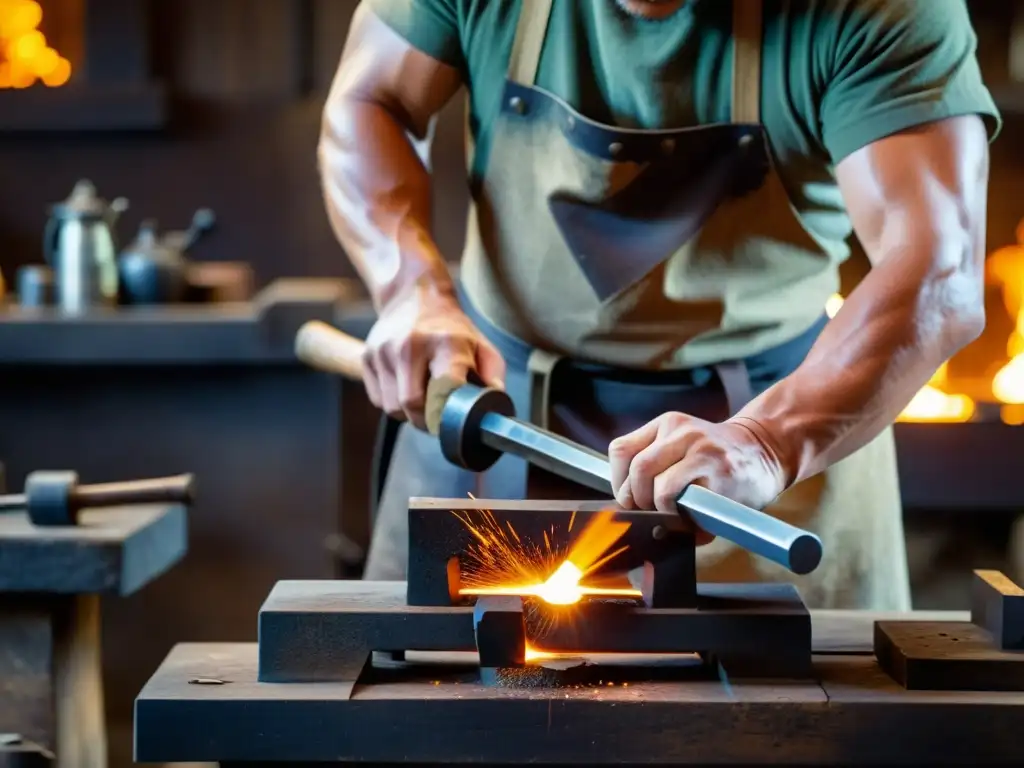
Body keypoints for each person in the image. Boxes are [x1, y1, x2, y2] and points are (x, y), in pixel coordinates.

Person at [319, 0, 999, 609]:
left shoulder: (882, 10)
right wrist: (411, 290)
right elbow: (371, 99)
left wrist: (764, 443)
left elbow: (937, 269)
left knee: (792, 736)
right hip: (488, 415)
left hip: (768, 450)